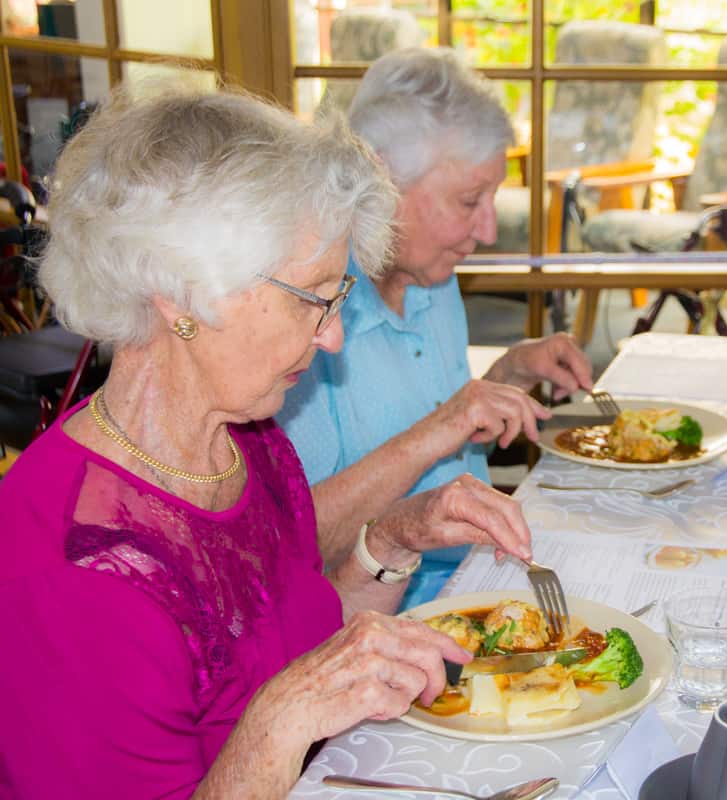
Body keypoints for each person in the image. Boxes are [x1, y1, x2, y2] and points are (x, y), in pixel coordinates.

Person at [0, 86, 536, 798]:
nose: (333, 336)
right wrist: (281, 720)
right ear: (181, 293)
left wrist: (389, 544)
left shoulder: (248, 442)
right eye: (312, 298)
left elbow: (303, 642)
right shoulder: (74, 566)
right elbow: (288, 699)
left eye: (338, 299)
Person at [278, 47, 594, 608]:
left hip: (483, 576)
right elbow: (294, 545)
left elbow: (444, 432)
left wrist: (510, 373)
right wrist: (448, 420)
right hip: (380, 614)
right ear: (380, 182)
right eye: (470, 200)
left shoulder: (432, 276)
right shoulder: (309, 312)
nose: (489, 230)